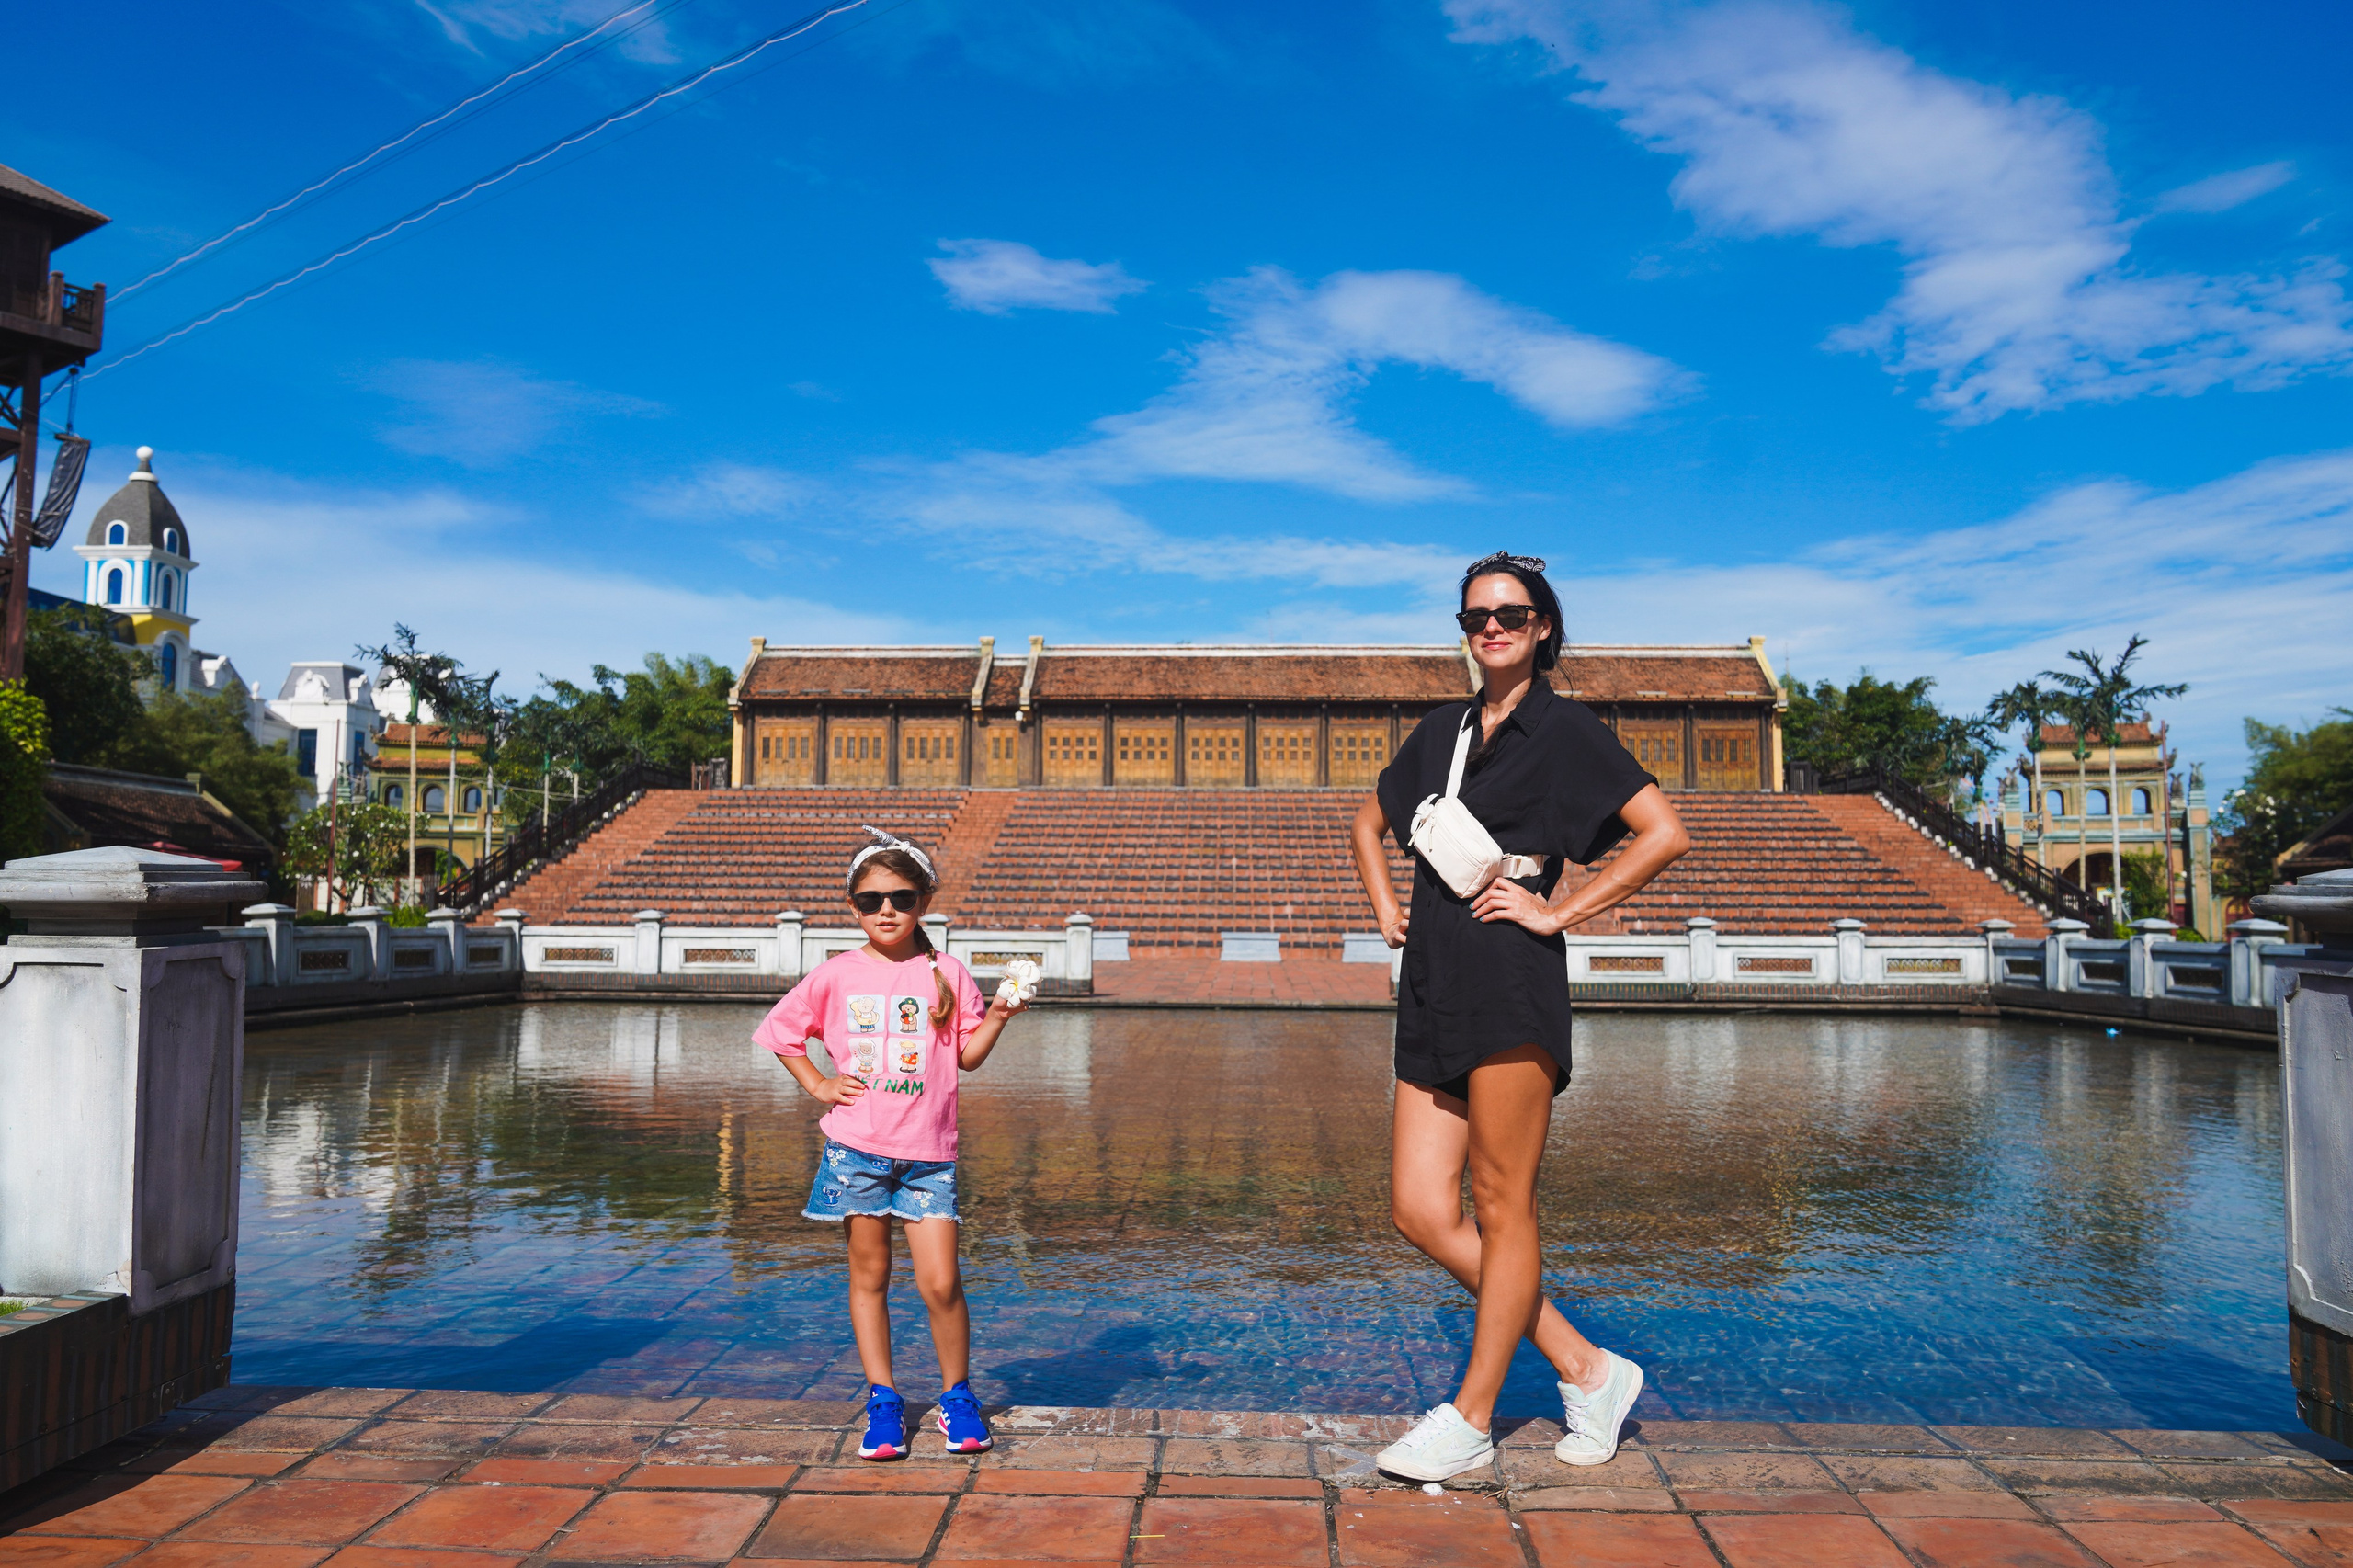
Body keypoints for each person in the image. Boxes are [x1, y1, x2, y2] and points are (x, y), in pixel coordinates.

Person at [1349, 551, 1692, 1483]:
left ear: (1542, 625)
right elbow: (1364, 821)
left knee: (1503, 1204)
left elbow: (1663, 831)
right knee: (1419, 1208)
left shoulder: (1567, 729)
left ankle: (1470, 1413)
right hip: (1430, 979)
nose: (1490, 626)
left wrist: (1557, 908)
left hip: (1509, 978)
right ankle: (1588, 1366)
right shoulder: (1441, 731)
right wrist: (1385, 903)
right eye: (1474, 615)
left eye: (1509, 611)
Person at [755, 828, 1029, 1460]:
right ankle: (883, 1399)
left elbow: (966, 1059)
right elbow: (781, 1034)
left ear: (922, 904)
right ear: (853, 906)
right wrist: (819, 1082)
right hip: (857, 1149)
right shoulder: (836, 973)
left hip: (928, 1153)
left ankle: (957, 1396)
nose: (887, 910)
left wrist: (997, 1019)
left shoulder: (945, 971)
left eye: (902, 898)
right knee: (869, 1274)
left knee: (940, 1282)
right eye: (872, 898)